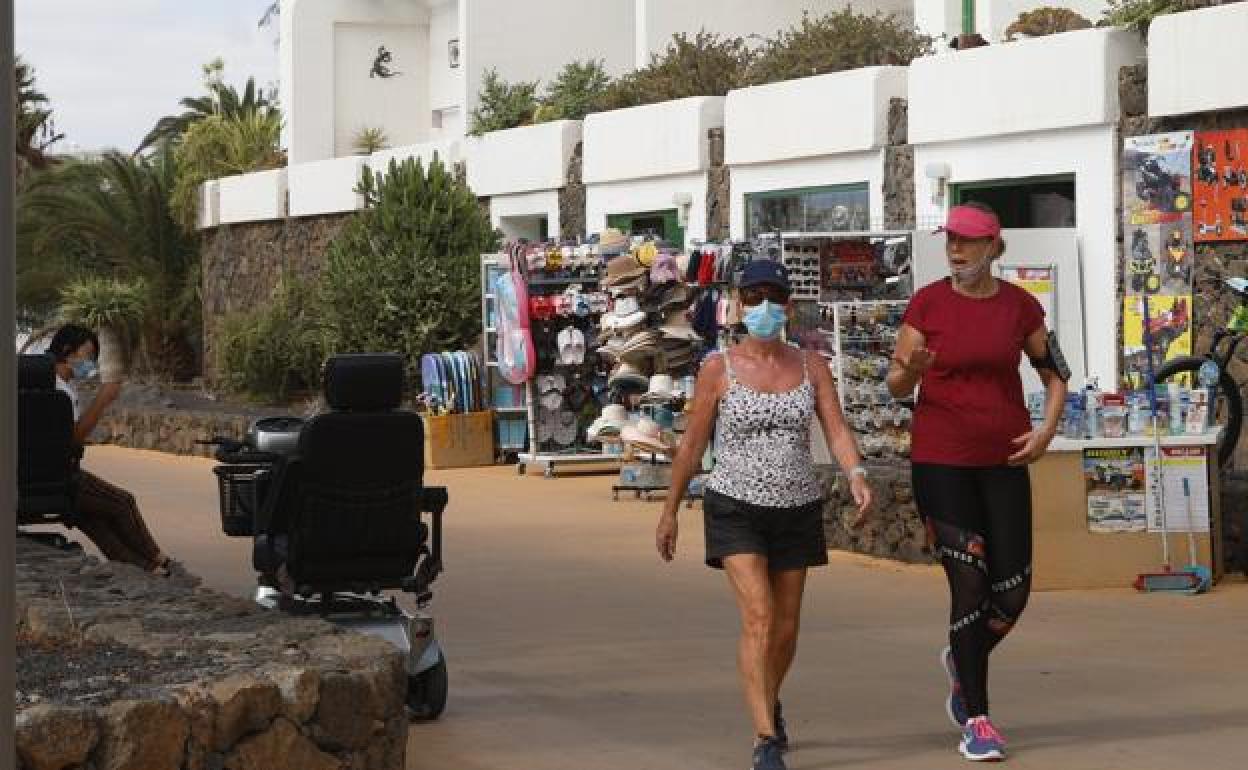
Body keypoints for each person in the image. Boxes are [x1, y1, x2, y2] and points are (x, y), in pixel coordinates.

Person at [656, 260, 872, 770]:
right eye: (754, 298)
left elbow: (836, 430)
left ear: (789, 307)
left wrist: (857, 473)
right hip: (734, 506)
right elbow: (691, 446)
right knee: (759, 616)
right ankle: (764, 738)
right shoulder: (718, 369)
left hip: (797, 505)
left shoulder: (812, 367)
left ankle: (768, 697)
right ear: (738, 305)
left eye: (774, 297)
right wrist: (669, 512)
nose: (765, 307)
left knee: (787, 628)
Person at [887, 203, 1066, 762]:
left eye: (968, 242)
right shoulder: (928, 303)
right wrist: (913, 369)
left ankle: (964, 658)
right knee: (969, 584)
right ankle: (979, 720)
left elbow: (1055, 372)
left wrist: (1045, 432)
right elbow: (896, 384)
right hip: (941, 461)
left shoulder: (1019, 307)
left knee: (1012, 594)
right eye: (951, 243)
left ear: (994, 247)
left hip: (1005, 460)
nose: (957, 251)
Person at [46, 324, 174, 575]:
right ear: (67, 351)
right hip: (62, 475)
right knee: (123, 503)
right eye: (87, 354)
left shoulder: (56, 383)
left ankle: (150, 570)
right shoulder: (58, 389)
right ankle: (161, 560)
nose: (90, 362)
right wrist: (103, 398)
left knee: (98, 523)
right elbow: (74, 437)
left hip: (48, 472)